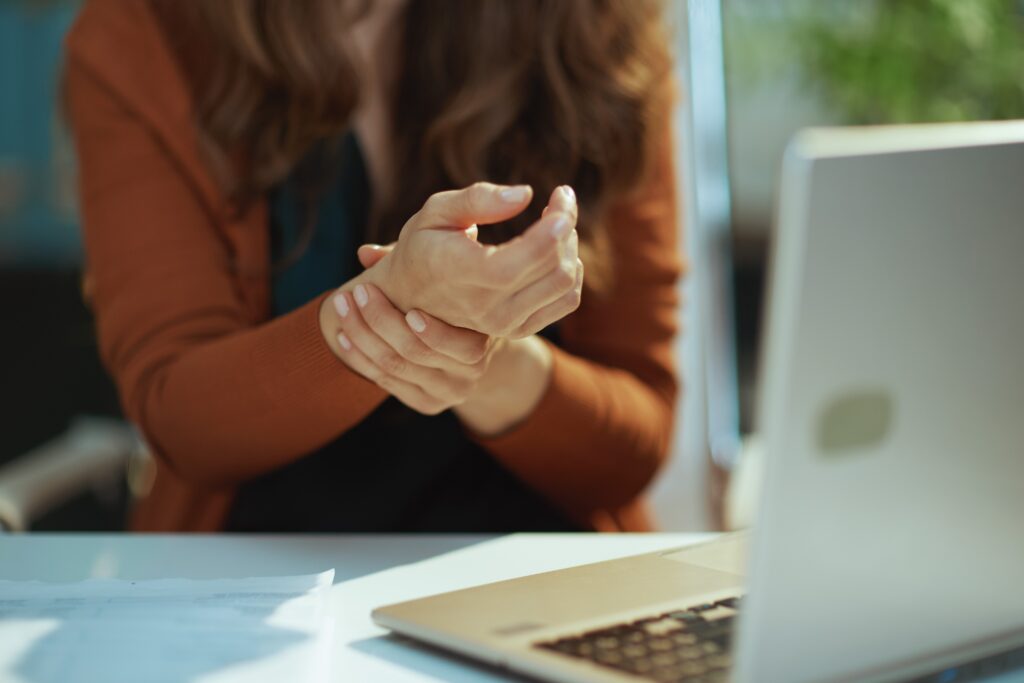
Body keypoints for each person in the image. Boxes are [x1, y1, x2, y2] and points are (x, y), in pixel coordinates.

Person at [63, 0, 683, 533]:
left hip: (533, 589)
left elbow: (632, 446)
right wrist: (397, 311)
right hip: (258, 599)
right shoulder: (144, 36)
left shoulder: (592, 27)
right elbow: (183, 418)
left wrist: (482, 358)